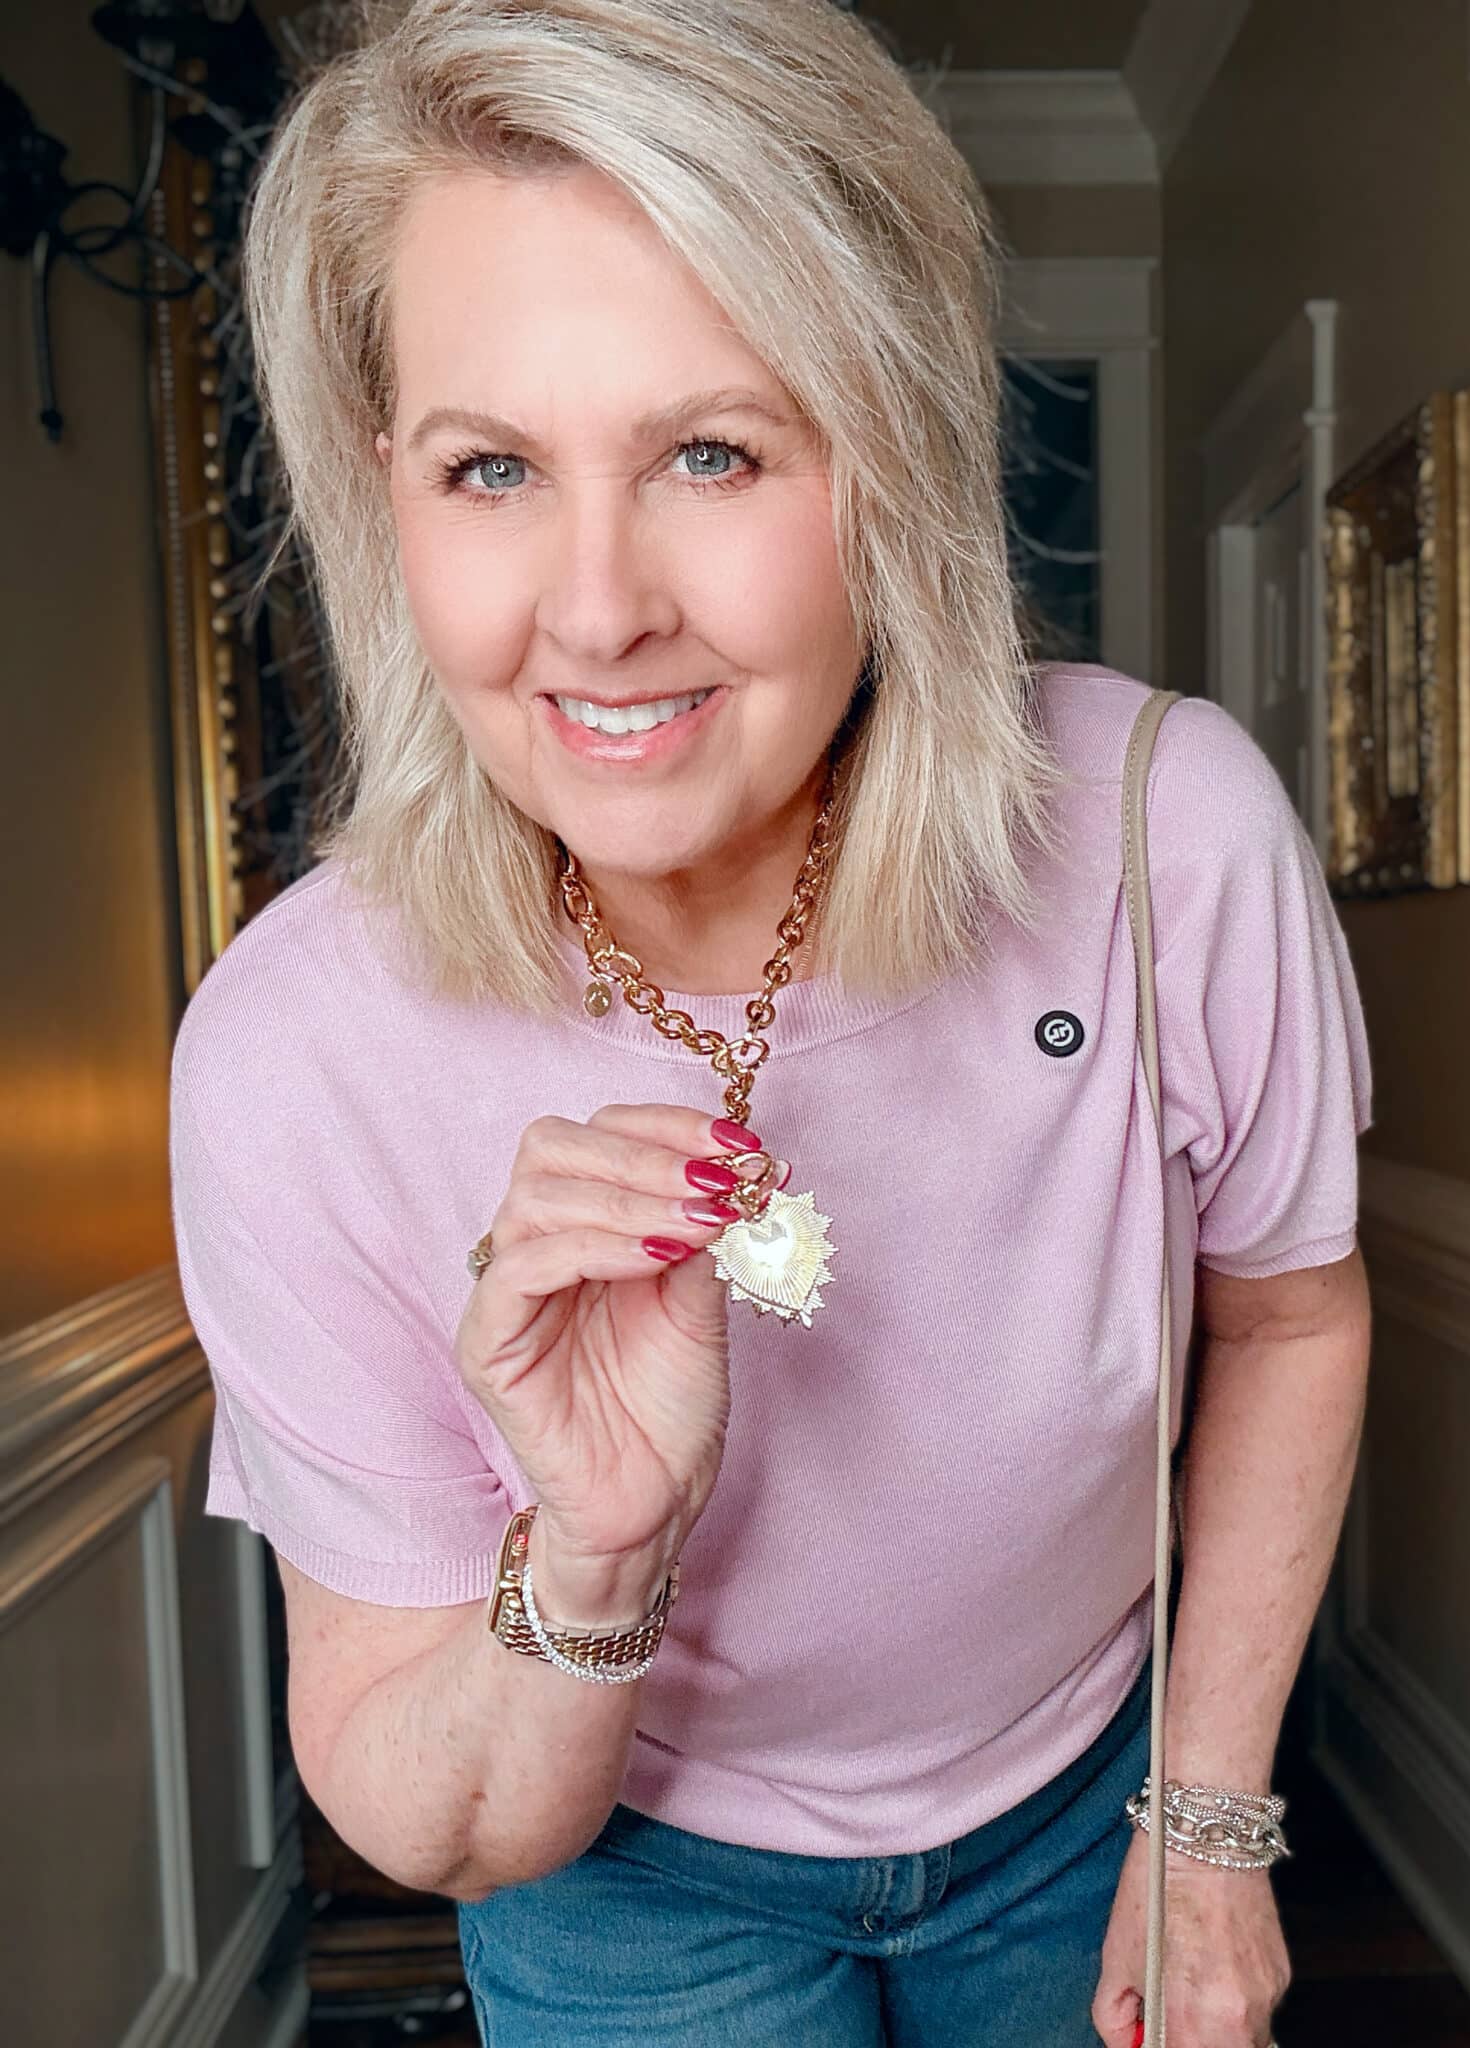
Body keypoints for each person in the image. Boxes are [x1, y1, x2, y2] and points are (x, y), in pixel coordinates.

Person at [167, 3, 1374, 2043]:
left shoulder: (1165, 838)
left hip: (1089, 1802)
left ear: (886, 454)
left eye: (709, 450)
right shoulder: (295, 1055)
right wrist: (596, 1545)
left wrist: (1205, 1818)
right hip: (626, 1892)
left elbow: (1284, 1312)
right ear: (392, 501)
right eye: (492, 469)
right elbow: (426, 1818)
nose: (595, 606)